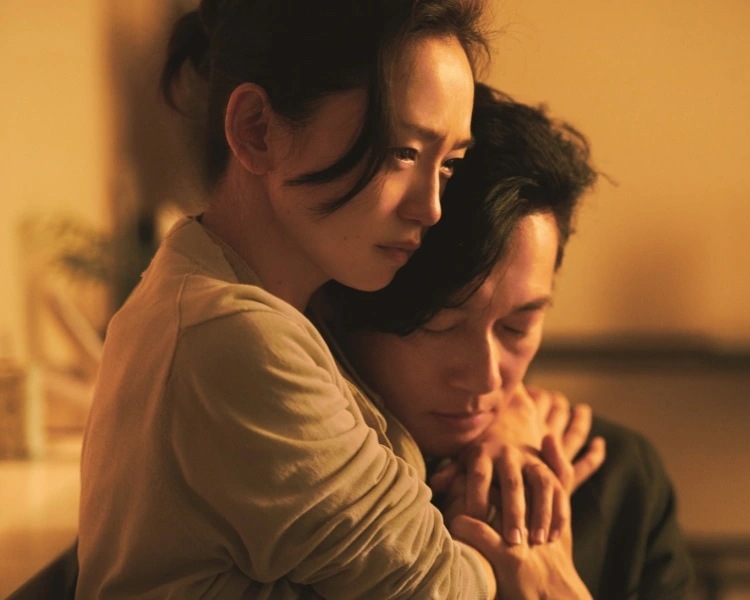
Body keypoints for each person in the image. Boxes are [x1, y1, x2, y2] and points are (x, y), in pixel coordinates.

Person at [75, 1, 535, 598]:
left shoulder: (236, 292)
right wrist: (513, 548)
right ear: (257, 130)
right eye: (401, 151)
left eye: (448, 164)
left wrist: (504, 424)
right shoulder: (234, 337)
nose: (430, 207)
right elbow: (440, 588)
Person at [323, 83, 694, 599]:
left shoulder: (618, 478)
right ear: (347, 300)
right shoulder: (316, 484)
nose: (486, 377)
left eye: (517, 327)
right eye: (439, 326)